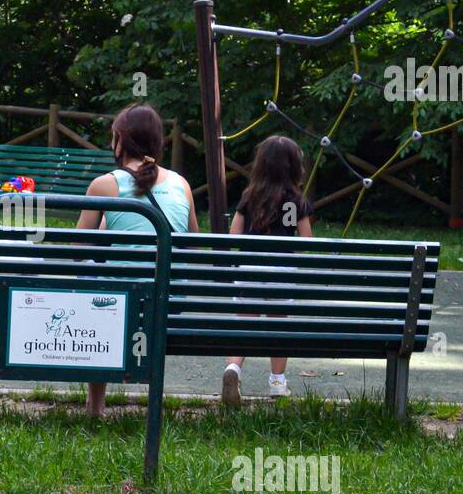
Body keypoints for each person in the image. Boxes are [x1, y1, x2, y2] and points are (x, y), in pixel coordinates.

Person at [75, 103, 198, 416]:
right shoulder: (181, 185)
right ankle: (152, 402)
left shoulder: (105, 185)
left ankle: (96, 405)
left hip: (120, 301)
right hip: (167, 298)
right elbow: (192, 245)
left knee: (92, 284)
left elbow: (76, 248)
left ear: (120, 140)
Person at [221, 135, 314, 407]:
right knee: (278, 325)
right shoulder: (297, 200)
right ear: (294, 167)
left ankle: (234, 369)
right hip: (281, 274)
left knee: (244, 324)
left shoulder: (249, 197)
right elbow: (307, 242)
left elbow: (233, 235)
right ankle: (277, 380)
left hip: (249, 271)